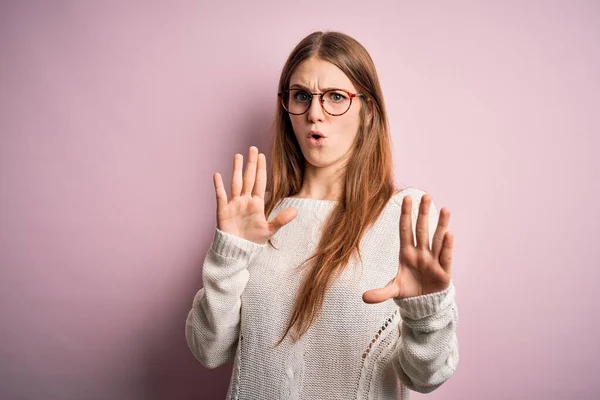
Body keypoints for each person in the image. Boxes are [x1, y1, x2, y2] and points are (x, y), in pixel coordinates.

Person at [185, 30, 458, 399]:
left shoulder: (403, 216)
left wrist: (426, 313)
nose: (315, 113)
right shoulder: (258, 217)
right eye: (301, 96)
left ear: (367, 111)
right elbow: (210, 350)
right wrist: (228, 256)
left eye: (335, 97)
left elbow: (427, 377)